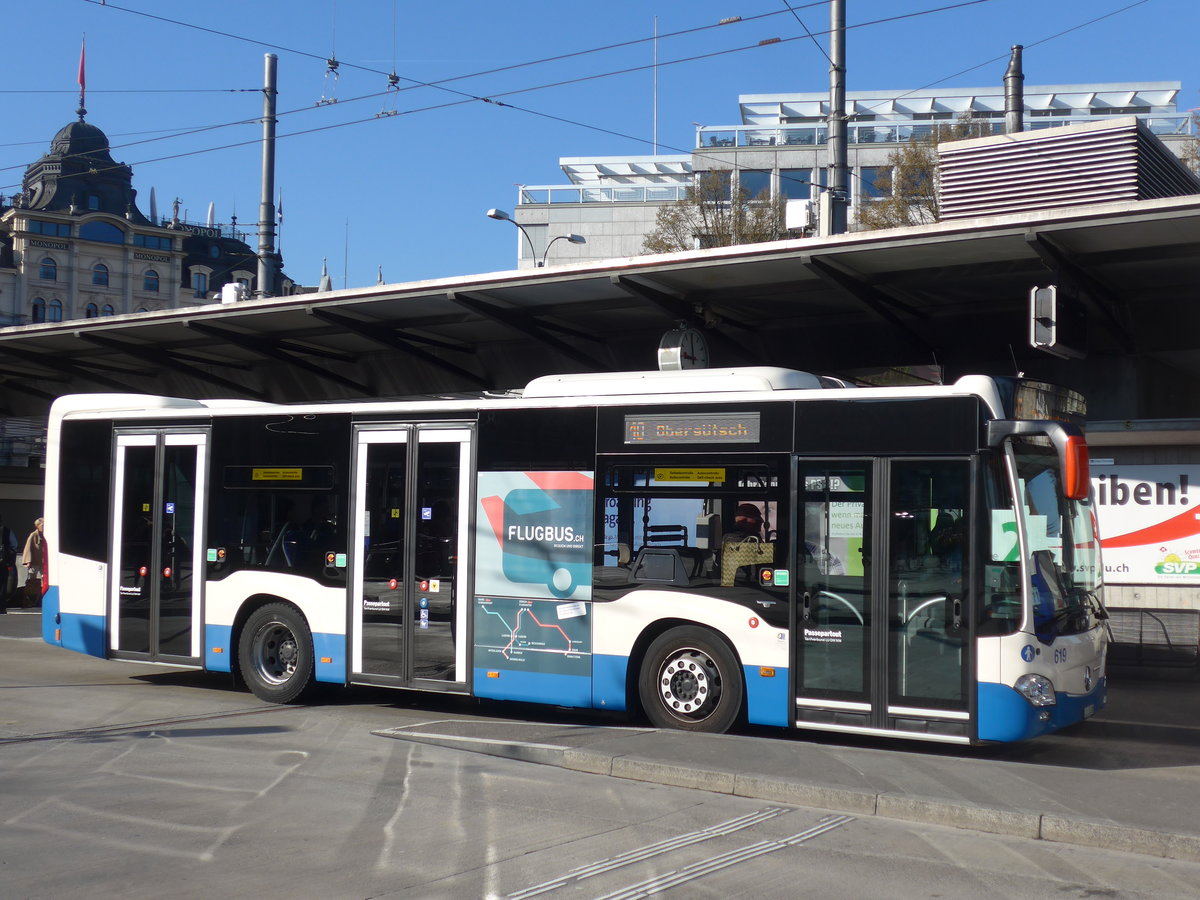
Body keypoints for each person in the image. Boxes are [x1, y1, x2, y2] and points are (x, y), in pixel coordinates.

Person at [21, 517, 45, 608]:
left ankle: (41, 598)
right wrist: (28, 561)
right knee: (32, 580)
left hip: (43, 562)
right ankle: (31, 599)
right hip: (34, 561)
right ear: (37, 526)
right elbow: (28, 548)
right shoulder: (33, 535)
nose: (44, 527)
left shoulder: (47, 535)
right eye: (42, 525)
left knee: (44, 579)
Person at [0, 515, 15, 613]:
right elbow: (14, 544)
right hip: (3, 563)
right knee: (2, 584)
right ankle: (1, 607)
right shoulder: (7, 531)